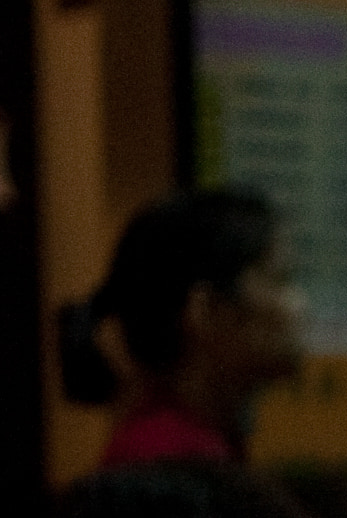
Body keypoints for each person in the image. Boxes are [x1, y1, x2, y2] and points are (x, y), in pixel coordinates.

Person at [60, 188, 303, 467]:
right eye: (281, 280)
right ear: (206, 311)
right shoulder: (170, 465)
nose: (299, 304)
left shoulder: (182, 450)